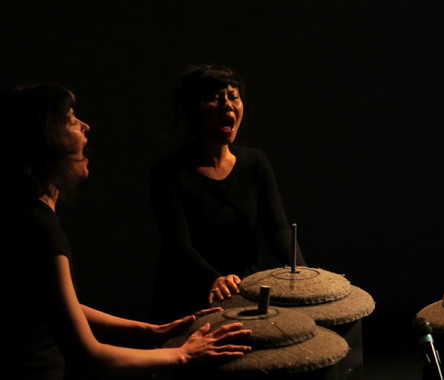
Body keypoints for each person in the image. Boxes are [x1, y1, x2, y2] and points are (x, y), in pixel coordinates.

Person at [7, 83, 252, 379]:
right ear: (44, 141)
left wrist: (153, 331)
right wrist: (182, 355)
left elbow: (63, 307)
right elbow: (91, 355)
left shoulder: (29, 218)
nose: (86, 126)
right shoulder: (38, 229)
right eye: (71, 119)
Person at [149, 65, 306, 323]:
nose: (227, 105)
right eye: (214, 98)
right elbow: (178, 245)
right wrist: (214, 278)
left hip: (242, 299)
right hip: (186, 302)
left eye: (233, 96)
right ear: (193, 110)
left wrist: (303, 272)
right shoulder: (169, 172)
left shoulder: (254, 163)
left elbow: (277, 228)